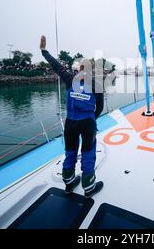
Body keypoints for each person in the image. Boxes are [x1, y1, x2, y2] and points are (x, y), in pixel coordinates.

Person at [40, 36, 104, 198]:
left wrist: (43, 51)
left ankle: (69, 183)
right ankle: (88, 187)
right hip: (87, 122)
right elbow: (100, 108)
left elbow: (56, 65)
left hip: (70, 123)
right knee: (88, 152)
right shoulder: (97, 85)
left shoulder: (69, 79)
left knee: (70, 151)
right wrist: (91, 118)